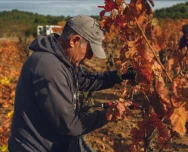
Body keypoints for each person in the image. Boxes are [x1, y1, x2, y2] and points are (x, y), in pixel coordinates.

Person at [8, 14, 135, 152]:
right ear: (74, 41)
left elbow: (86, 80)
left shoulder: (63, 60)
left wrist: (121, 75)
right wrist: (109, 114)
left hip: (56, 144)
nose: (90, 56)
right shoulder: (49, 67)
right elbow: (70, 125)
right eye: (90, 50)